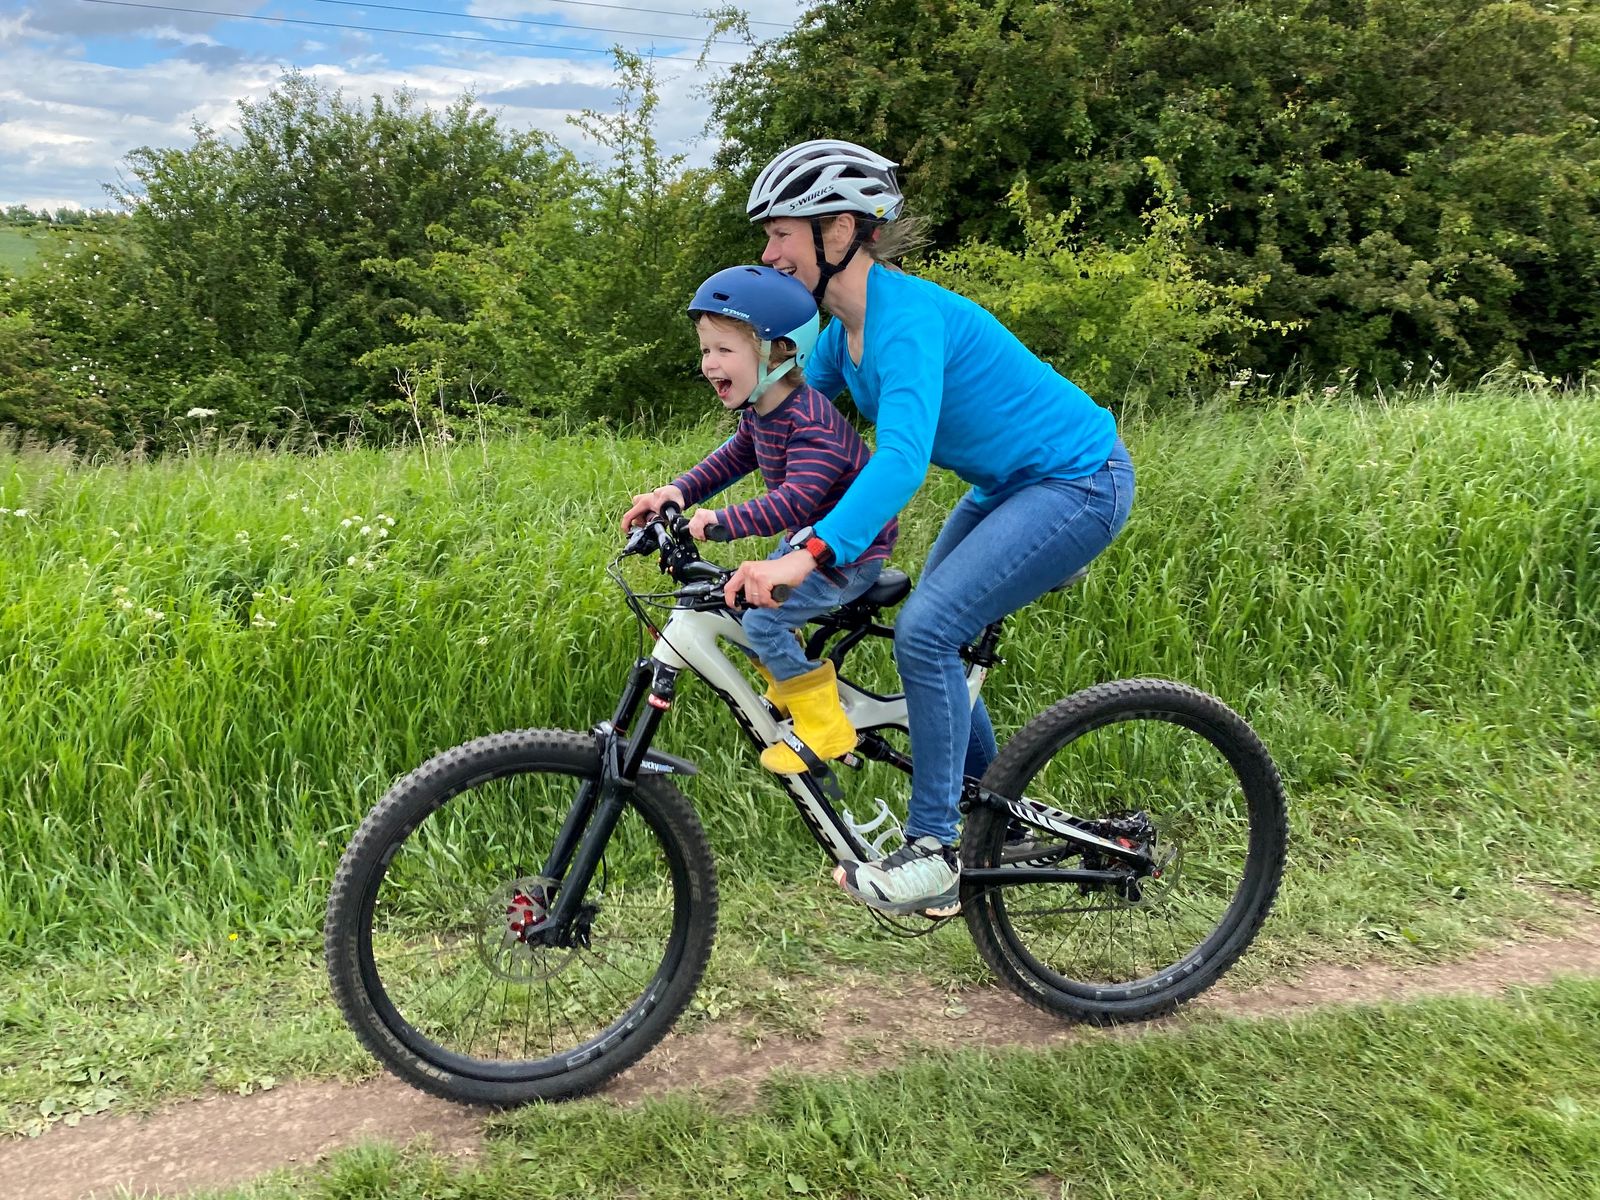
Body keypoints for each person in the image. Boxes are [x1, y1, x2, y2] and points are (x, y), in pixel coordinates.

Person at [725, 139, 1136, 918]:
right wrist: (689, 500)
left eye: (782, 232)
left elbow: (901, 461)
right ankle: (989, 818)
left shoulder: (904, 321)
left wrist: (808, 555)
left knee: (927, 632)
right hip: (1007, 489)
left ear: (839, 232)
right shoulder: (837, 340)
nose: (769, 253)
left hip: (1078, 481)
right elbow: (787, 433)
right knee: (934, 637)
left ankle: (936, 848)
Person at [621, 264, 898, 774]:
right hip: (805, 543)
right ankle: (791, 687)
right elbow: (730, 460)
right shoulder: (762, 411)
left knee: (764, 623)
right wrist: (676, 492)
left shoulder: (811, 421)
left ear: (779, 351)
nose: (709, 363)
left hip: (845, 555)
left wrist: (718, 522)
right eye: (706, 350)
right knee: (738, 599)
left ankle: (825, 726)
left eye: (725, 350)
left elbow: (794, 500)